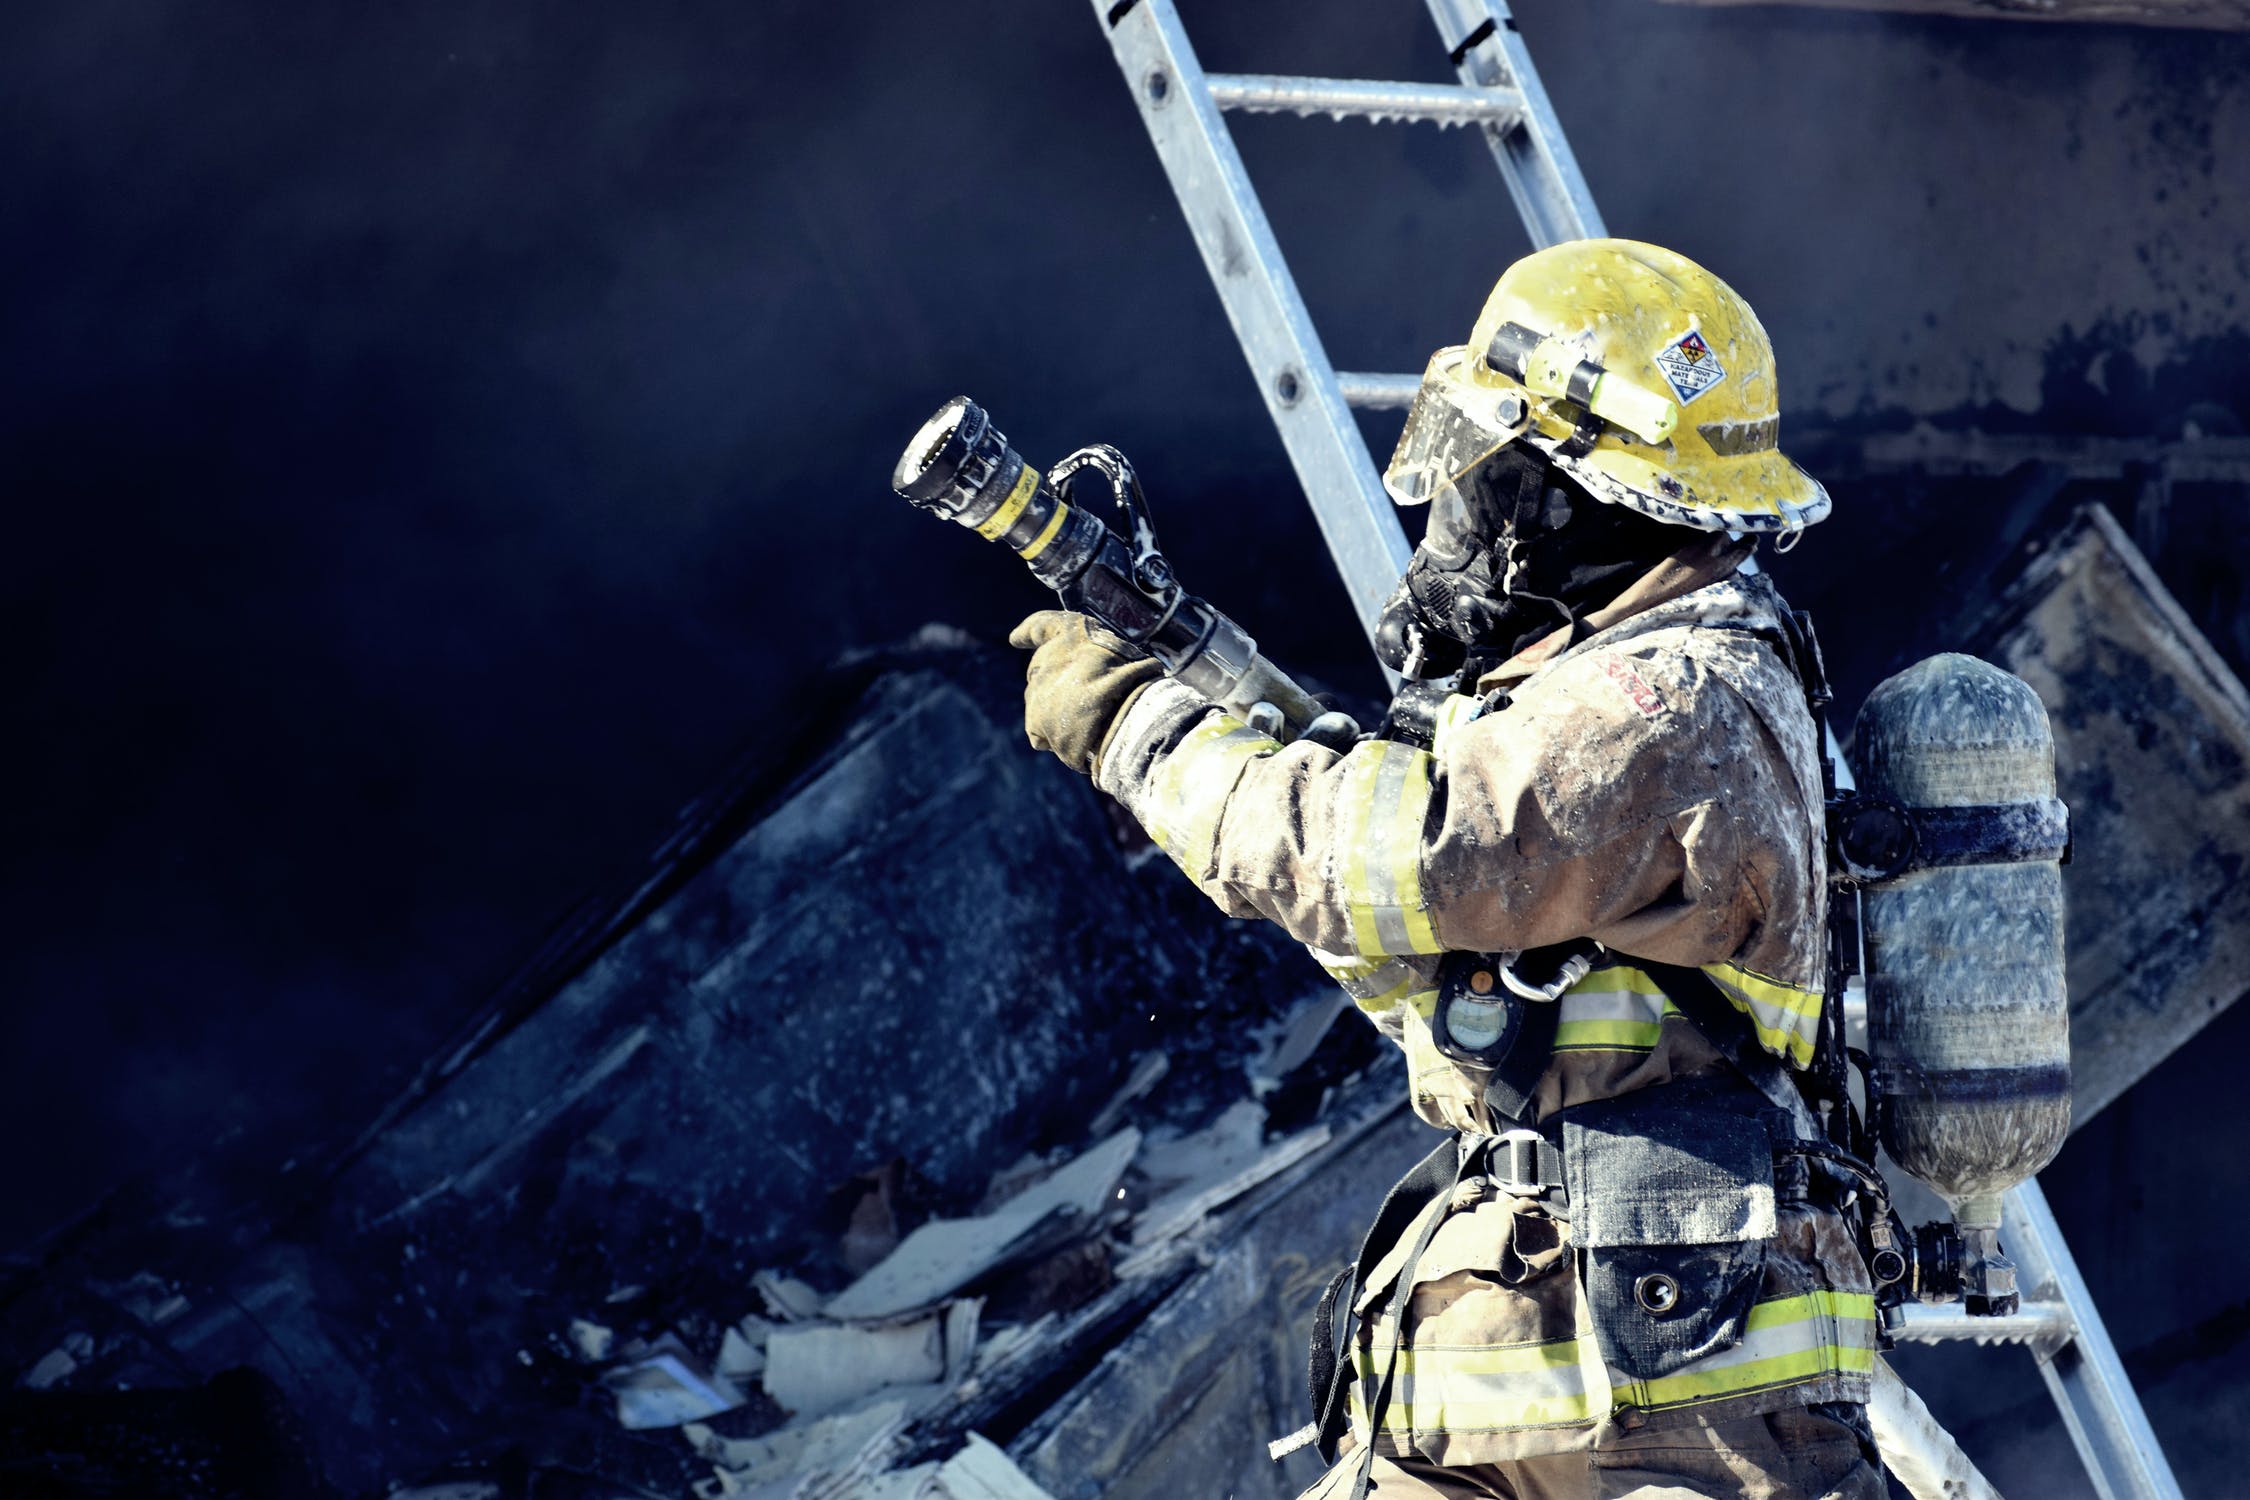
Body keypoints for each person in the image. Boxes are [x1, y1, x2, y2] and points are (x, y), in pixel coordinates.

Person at [1010, 239, 1883, 1500]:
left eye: (1483, 462)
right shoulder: (1613, 698)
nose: (1453, 502)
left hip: (1662, 1412)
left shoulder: (1665, 702)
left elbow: (1366, 858)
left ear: (1559, 494)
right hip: (1562, 1385)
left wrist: (1135, 727)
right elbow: (1428, 957)